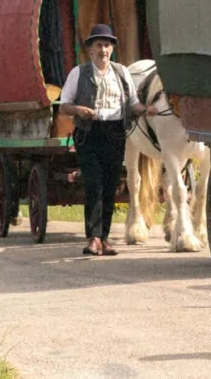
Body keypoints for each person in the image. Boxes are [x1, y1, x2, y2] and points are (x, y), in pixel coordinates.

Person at [59, 24, 158, 257]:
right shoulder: (79, 73)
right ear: (90, 51)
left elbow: (132, 104)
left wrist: (147, 109)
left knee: (110, 185)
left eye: (107, 45)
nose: (103, 49)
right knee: (94, 184)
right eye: (99, 45)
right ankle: (93, 238)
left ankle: (104, 239)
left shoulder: (122, 73)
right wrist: (79, 110)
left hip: (115, 132)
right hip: (88, 133)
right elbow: (63, 106)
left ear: (112, 49)